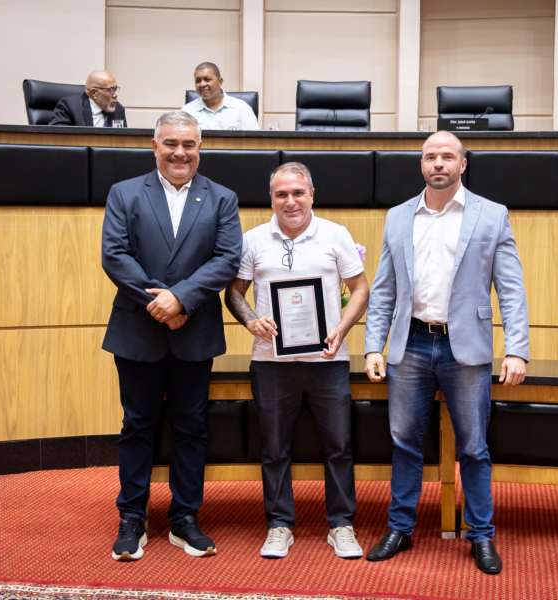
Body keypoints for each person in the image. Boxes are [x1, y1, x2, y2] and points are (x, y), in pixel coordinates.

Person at [363, 131, 529, 574]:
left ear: (463, 164)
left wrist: (517, 350)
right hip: (411, 344)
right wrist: (373, 345)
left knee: (473, 447)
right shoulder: (398, 216)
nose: (438, 163)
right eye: (430, 156)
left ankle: (481, 535)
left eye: (447, 156)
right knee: (404, 442)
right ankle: (400, 528)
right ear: (422, 164)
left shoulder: (492, 215)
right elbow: (384, 289)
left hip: (466, 348)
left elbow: (511, 289)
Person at [101, 111, 242, 561]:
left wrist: (179, 300)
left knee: (191, 426)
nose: (180, 153)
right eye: (171, 143)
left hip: (194, 330)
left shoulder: (222, 198)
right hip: (137, 330)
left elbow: (227, 259)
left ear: (200, 148)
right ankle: (131, 517)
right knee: (137, 425)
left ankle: (185, 517)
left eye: (189, 144)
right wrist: (160, 304)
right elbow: (115, 255)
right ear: (154, 146)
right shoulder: (124, 193)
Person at [224, 162, 369, 559]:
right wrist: (251, 320)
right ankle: (279, 525)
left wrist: (341, 329)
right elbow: (233, 292)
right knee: (273, 448)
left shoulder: (336, 235)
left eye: (298, 193)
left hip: (328, 360)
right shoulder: (253, 240)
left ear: (311, 195)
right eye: (281, 194)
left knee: (339, 446)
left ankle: (341, 525)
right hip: (271, 363)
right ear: (271, 199)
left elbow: (360, 289)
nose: (290, 201)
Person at [181, 62, 259, 131]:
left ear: (220, 82)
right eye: (198, 81)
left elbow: (253, 140)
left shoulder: (241, 108)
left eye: (207, 79)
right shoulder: (188, 111)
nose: (202, 84)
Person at [49, 70, 127, 127]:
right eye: (111, 90)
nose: (116, 94)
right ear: (94, 93)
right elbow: (58, 138)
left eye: (115, 89)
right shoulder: (68, 107)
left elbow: (123, 141)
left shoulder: (119, 110)